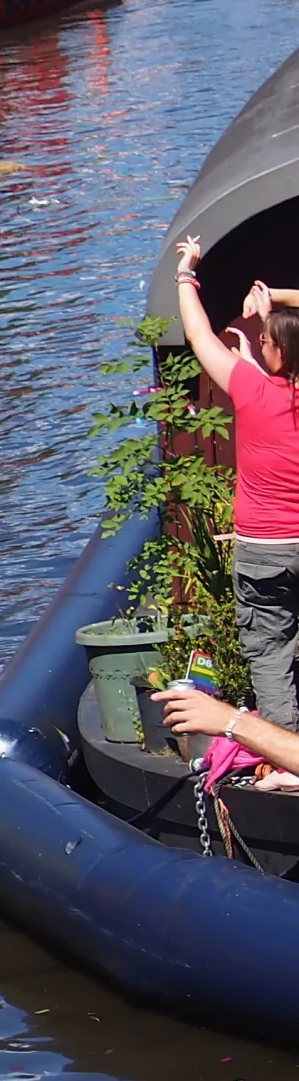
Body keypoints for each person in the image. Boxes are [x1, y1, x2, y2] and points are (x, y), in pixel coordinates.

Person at [171, 239, 299, 740]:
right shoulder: (256, 376)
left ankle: (287, 761)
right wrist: (280, 299)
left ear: (278, 351)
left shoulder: (250, 388)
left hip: (265, 548)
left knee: (270, 651)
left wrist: (187, 273)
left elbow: (199, 333)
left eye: (265, 338)